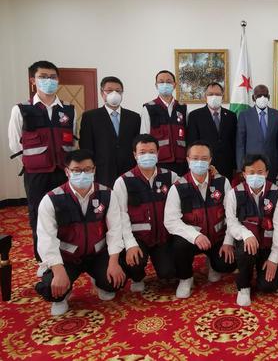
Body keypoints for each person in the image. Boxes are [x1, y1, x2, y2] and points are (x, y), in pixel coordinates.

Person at [34, 150, 126, 316]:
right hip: (67, 258)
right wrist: (58, 270)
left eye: (88, 169)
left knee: (116, 281)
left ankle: (98, 281)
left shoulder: (107, 194)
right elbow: (46, 239)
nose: (83, 174)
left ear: (94, 170)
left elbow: (115, 230)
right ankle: (63, 292)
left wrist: (113, 262)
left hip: (97, 254)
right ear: (67, 171)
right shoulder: (52, 199)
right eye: (77, 170)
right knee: (50, 289)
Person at [8, 60, 77, 266]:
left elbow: (72, 143)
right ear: (33, 80)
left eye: (53, 77)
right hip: (36, 174)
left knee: (64, 213)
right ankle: (44, 260)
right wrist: (35, 162)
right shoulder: (21, 110)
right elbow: (15, 145)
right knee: (39, 216)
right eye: (43, 77)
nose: (49, 81)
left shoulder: (68, 110)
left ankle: (65, 256)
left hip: (62, 173)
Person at [164, 141, 236, 299]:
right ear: (188, 159)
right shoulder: (178, 187)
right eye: (195, 158)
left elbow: (232, 216)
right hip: (192, 240)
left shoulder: (222, 182)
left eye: (204, 158)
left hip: (217, 237)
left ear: (210, 160)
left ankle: (213, 263)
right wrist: (195, 235)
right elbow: (171, 221)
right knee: (178, 245)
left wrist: (228, 242)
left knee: (228, 264)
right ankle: (186, 277)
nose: (199, 162)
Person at [113, 134, 179, 292]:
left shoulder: (171, 177)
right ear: (135, 155)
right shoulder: (123, 181)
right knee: (134, 261)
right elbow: (120, 216)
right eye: (142, 152)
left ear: (158, 153)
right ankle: (137, 277)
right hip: (137, 238)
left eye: (151, 152)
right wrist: (130, 245)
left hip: (163, 236)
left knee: (169, 273)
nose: (147, 156)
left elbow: (189, 190)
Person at [224, 154, 278, 306]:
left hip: (267, 245)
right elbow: (231, 223)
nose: (255, 176)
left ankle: (261, 269)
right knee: (245, 251)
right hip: (247, 245)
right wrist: (246, 234)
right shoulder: (234, 193)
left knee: (268, 286)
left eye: (260, 172)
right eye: (251, 172)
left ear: (266, 173)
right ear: (244, 174)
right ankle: (244, 286)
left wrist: (273, 258)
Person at [80, 76, 141, 188]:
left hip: (129, 169)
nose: (114, 93)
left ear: (122, 93)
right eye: (109, 90)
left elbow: (137, 145)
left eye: (118, 91)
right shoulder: (90, 117)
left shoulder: (134, 117)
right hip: (102, 170)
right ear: (102, 93)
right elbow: (86, 146)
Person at [187, 82, 237, 180]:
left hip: (227, 165)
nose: (214, 97)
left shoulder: (231, 116)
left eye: (217, 94)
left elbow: (234, 141)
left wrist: (235, 166)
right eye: (210, 94)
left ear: (222, 96)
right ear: (205, 96)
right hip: (204, 165)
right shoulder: (195, 116)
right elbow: (192, 142)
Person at [140, 70, 187, 176]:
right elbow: (144, 137)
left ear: (174, 85)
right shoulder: (149, 107)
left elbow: (187, 133)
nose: (165, 84)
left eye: (168, 81)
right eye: (161, 82)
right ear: (156, 85)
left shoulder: (183, 107)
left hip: (181, 162)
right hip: (159, 162)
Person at [236, 85, 278, 182]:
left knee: (270, 194)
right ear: (253, 97)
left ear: (269, 97)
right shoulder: (244, 115)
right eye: (259, 95)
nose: (262, 98)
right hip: (251, 167)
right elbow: (240, 144)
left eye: (265, 95)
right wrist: (240, 167)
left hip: (271, 166)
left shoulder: (277, 115)